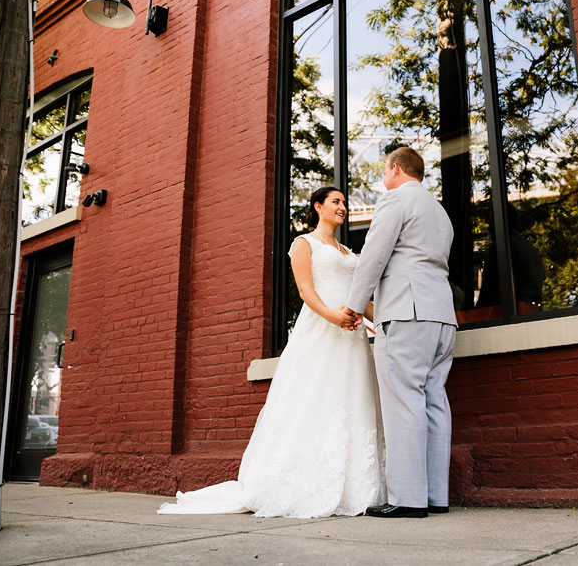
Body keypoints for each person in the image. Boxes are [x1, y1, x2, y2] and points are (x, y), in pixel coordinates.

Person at [158, 187, 385, 518]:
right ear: (318, 207)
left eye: (344, 203)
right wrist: (333, 316)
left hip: (351, 340)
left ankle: (354, 486)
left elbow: (360, 296)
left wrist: (386, 320)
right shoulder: (303, 244)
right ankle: (299, 482)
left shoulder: (349, 251)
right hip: (321, 330)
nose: (343, 207)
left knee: (350, 400)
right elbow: (307, 291)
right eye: (335, 201)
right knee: (313, 400)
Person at [339, 147, 457, 519]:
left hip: (407, 312)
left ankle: (407, 498)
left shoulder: (395, 200)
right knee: (434, 400)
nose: (383, 179)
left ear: (394, 170)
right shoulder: (440, 212)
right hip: (443, 316)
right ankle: (436, 496)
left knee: (403, 399)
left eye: (384, 172)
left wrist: (355, 305)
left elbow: (374, 255)